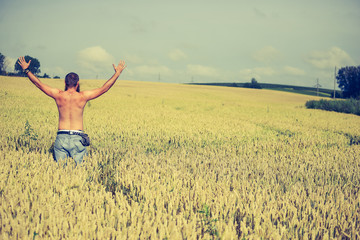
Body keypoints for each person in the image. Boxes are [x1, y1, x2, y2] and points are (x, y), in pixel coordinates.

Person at [17, 56, 126, 164]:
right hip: (77, 138)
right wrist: (117, 73)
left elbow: (39, 84)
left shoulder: (58, 95)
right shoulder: (83, 96)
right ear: (77, 83)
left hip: (61, 137)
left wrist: (26, 70)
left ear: (65, 83)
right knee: (79, 174)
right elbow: (104, 88)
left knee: (60, 173)